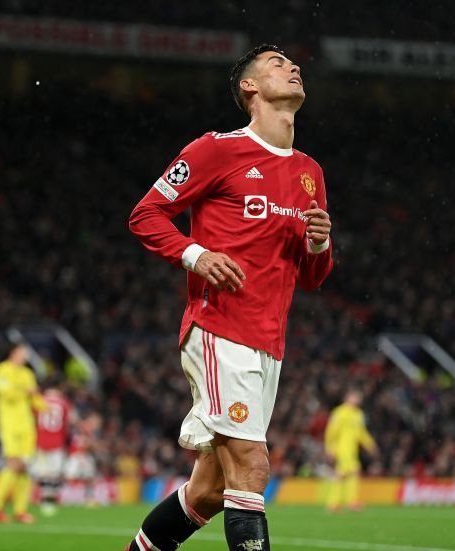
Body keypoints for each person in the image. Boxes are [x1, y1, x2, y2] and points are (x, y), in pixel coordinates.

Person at [126, 43, 334, 551]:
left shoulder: (311, 172)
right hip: (219, 328)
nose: (292, 67)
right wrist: (196, 254)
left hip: (270, 341)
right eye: (277, 64)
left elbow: (313, 277)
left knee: (211, 490)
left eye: (293, 63)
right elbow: (146, 214)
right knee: (252, 464)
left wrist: (321, 244)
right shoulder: (216, 150)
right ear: (250, 87)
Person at [0, 343, 47, 524]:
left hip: (27, 426)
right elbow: (5, 393)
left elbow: (35, 399)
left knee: (26, 468)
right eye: (22, 353)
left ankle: (20, 510)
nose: (25, 357)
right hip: (9, 425)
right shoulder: (2, 370)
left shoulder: (27, 374)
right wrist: (25, 390)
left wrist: (46, 407)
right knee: (14, 465)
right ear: (13, 352)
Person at [324, 389, 378, 512]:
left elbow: (361, 432)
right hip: (341, 448)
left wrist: (370, 444)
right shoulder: (339, 412)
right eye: (355, 397)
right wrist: (329, 448)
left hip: (352, 449)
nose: (358, 400)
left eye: (359, 398)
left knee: (347, 474)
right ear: (347, 398)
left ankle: (341, 502)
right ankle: (341, 502)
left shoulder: (358, 414)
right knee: (348, 473)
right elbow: (331, 431)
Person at [32, 381, 73, 517]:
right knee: (54, 474)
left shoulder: (39, 400)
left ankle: (45, 502)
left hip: (40, 441)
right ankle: (50, 502)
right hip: (57, 442)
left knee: (43, 473)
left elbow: (33, 420)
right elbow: (68, 424)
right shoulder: (64, 403)